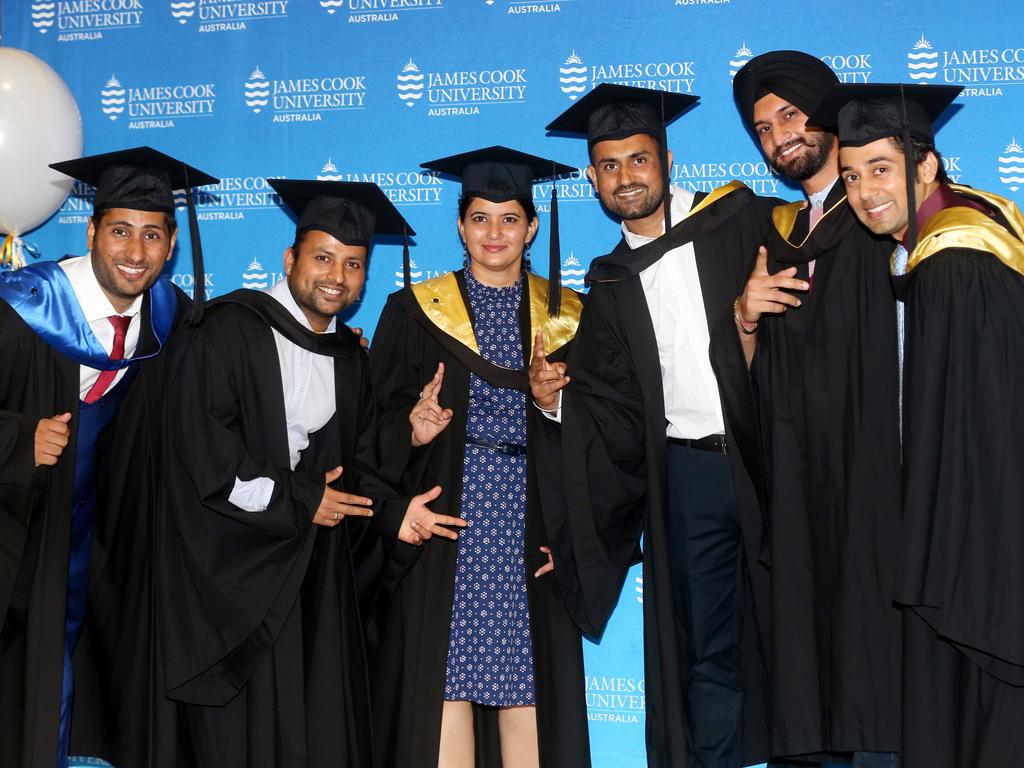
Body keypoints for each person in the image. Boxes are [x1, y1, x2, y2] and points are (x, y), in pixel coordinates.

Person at [157, 178, 445, 767]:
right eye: (322, 257)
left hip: (312, 580)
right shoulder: (227, 330)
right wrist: (301, 498)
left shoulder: (349, 357)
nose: (337, 275)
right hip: (233, 577)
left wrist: (395, 501)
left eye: (354, 263)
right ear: (290, 259)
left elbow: (359, 467)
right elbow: (204, 454)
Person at [542, 83, 775, 767]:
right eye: (609, 166)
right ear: (592, 178)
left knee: (801, 621)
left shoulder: (743, 221)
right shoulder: (610, 283)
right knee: (707, 647)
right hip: (690, 476)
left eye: (637, 160)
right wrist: (553, 399)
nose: (625, 178)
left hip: (773, 461)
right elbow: (608, 410)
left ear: (667, 161)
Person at [810, 81, 1024, 768]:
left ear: (925, 165)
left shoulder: (953, 262)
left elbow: (971, 428)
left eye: (881, 167)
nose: (866, 189)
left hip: (978, 542)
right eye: (850, 174)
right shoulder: (968, 222)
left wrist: (935, 541)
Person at [365, 146, 587, 768]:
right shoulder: (413, 312)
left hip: (528, 522)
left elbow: (601, 437)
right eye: (481, 218)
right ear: (460, 225)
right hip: (448, 519)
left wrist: (551, 408)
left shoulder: (568, 318)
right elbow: (369, 429)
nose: (495, 233)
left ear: (532, 227)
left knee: (527, 692)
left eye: (510, 218)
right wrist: (412, 432)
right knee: (445, 686)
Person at [0, 147, 216, 768]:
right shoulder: (23, 309)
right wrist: (16, 438)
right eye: (119, 231)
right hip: (16, 534)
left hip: (88, 545)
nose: (134, 251)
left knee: (57, 692)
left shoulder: (169, 317)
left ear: (171, 245)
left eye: (152, 235)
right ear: (91, 231)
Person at [728, 52, 902, 766]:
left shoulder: (884, 221)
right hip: (799, 486)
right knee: (809, 652)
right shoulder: (772, 236)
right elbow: (749, 385)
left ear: (826, 115)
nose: (778, 139)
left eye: (790, 117)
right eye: (763, 129)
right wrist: (743, 318)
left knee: (876, 656)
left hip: (874, 479)